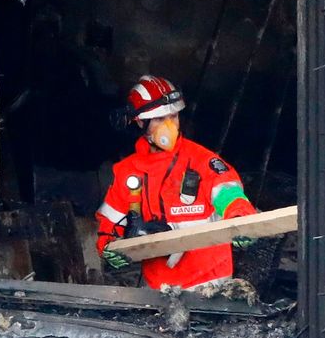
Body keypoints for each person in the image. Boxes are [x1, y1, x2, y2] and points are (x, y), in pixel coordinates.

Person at [95, 75, 257, 288]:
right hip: (157, 286)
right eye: (160, 119)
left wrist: (240, 219)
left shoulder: (202, 161)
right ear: (141, 122)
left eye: (173, 117)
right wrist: (107, 246)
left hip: (209, 283)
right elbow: (110, 223)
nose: (170, 126)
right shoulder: (127, 172)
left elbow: (228, 193)